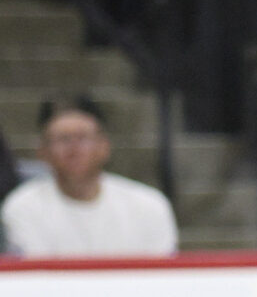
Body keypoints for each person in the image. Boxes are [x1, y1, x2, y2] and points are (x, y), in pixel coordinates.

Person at [1, 97, 178, 257]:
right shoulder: (21, 207)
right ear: (42, 151)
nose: (74, 149)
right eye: (63, 139)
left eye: (83, 138)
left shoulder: (150, 206)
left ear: (105, 146)